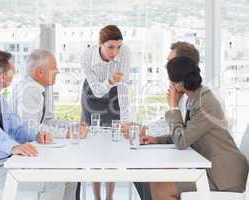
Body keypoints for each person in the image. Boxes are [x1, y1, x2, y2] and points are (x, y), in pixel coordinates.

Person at [0, 50, 72, 200]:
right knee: (55, 182)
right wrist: (13, 146)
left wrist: (36, 134)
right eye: (13, 70)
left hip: (5, 164)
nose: (16, 72)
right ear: (3, 76)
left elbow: (17, 127)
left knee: (64, 177)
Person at [141, 56, 249, 200]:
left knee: (160, 187)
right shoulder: (195, 97)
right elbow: (187, 134)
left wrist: (173, 107)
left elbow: (182, 141)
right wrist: (156, 139)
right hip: (213, 169)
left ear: (178, 85)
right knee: (156, 179)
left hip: (224, 176)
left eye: (170, 81)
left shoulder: (205, 102)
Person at [80, 25, 150, 200]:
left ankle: (110, 197)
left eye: (118, 47)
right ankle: (96, 197)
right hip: (93, 93)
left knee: (112, 148)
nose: (115, 52)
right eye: (110, 47)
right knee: (96, 149)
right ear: (100, 44)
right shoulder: (86, 57)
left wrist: (126, 120)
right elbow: (96, 90)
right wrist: (109, 81)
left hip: (116, 91)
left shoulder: (125, 52)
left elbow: (124, 87)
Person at [9, 49, 88, 139]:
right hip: (21, 146)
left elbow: (47, 121)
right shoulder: (29, 90)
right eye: (54, 68)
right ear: (40, 72)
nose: (57, 71)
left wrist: (72, 126)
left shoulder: (43, 87)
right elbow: (31, 128)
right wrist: (66, 133)